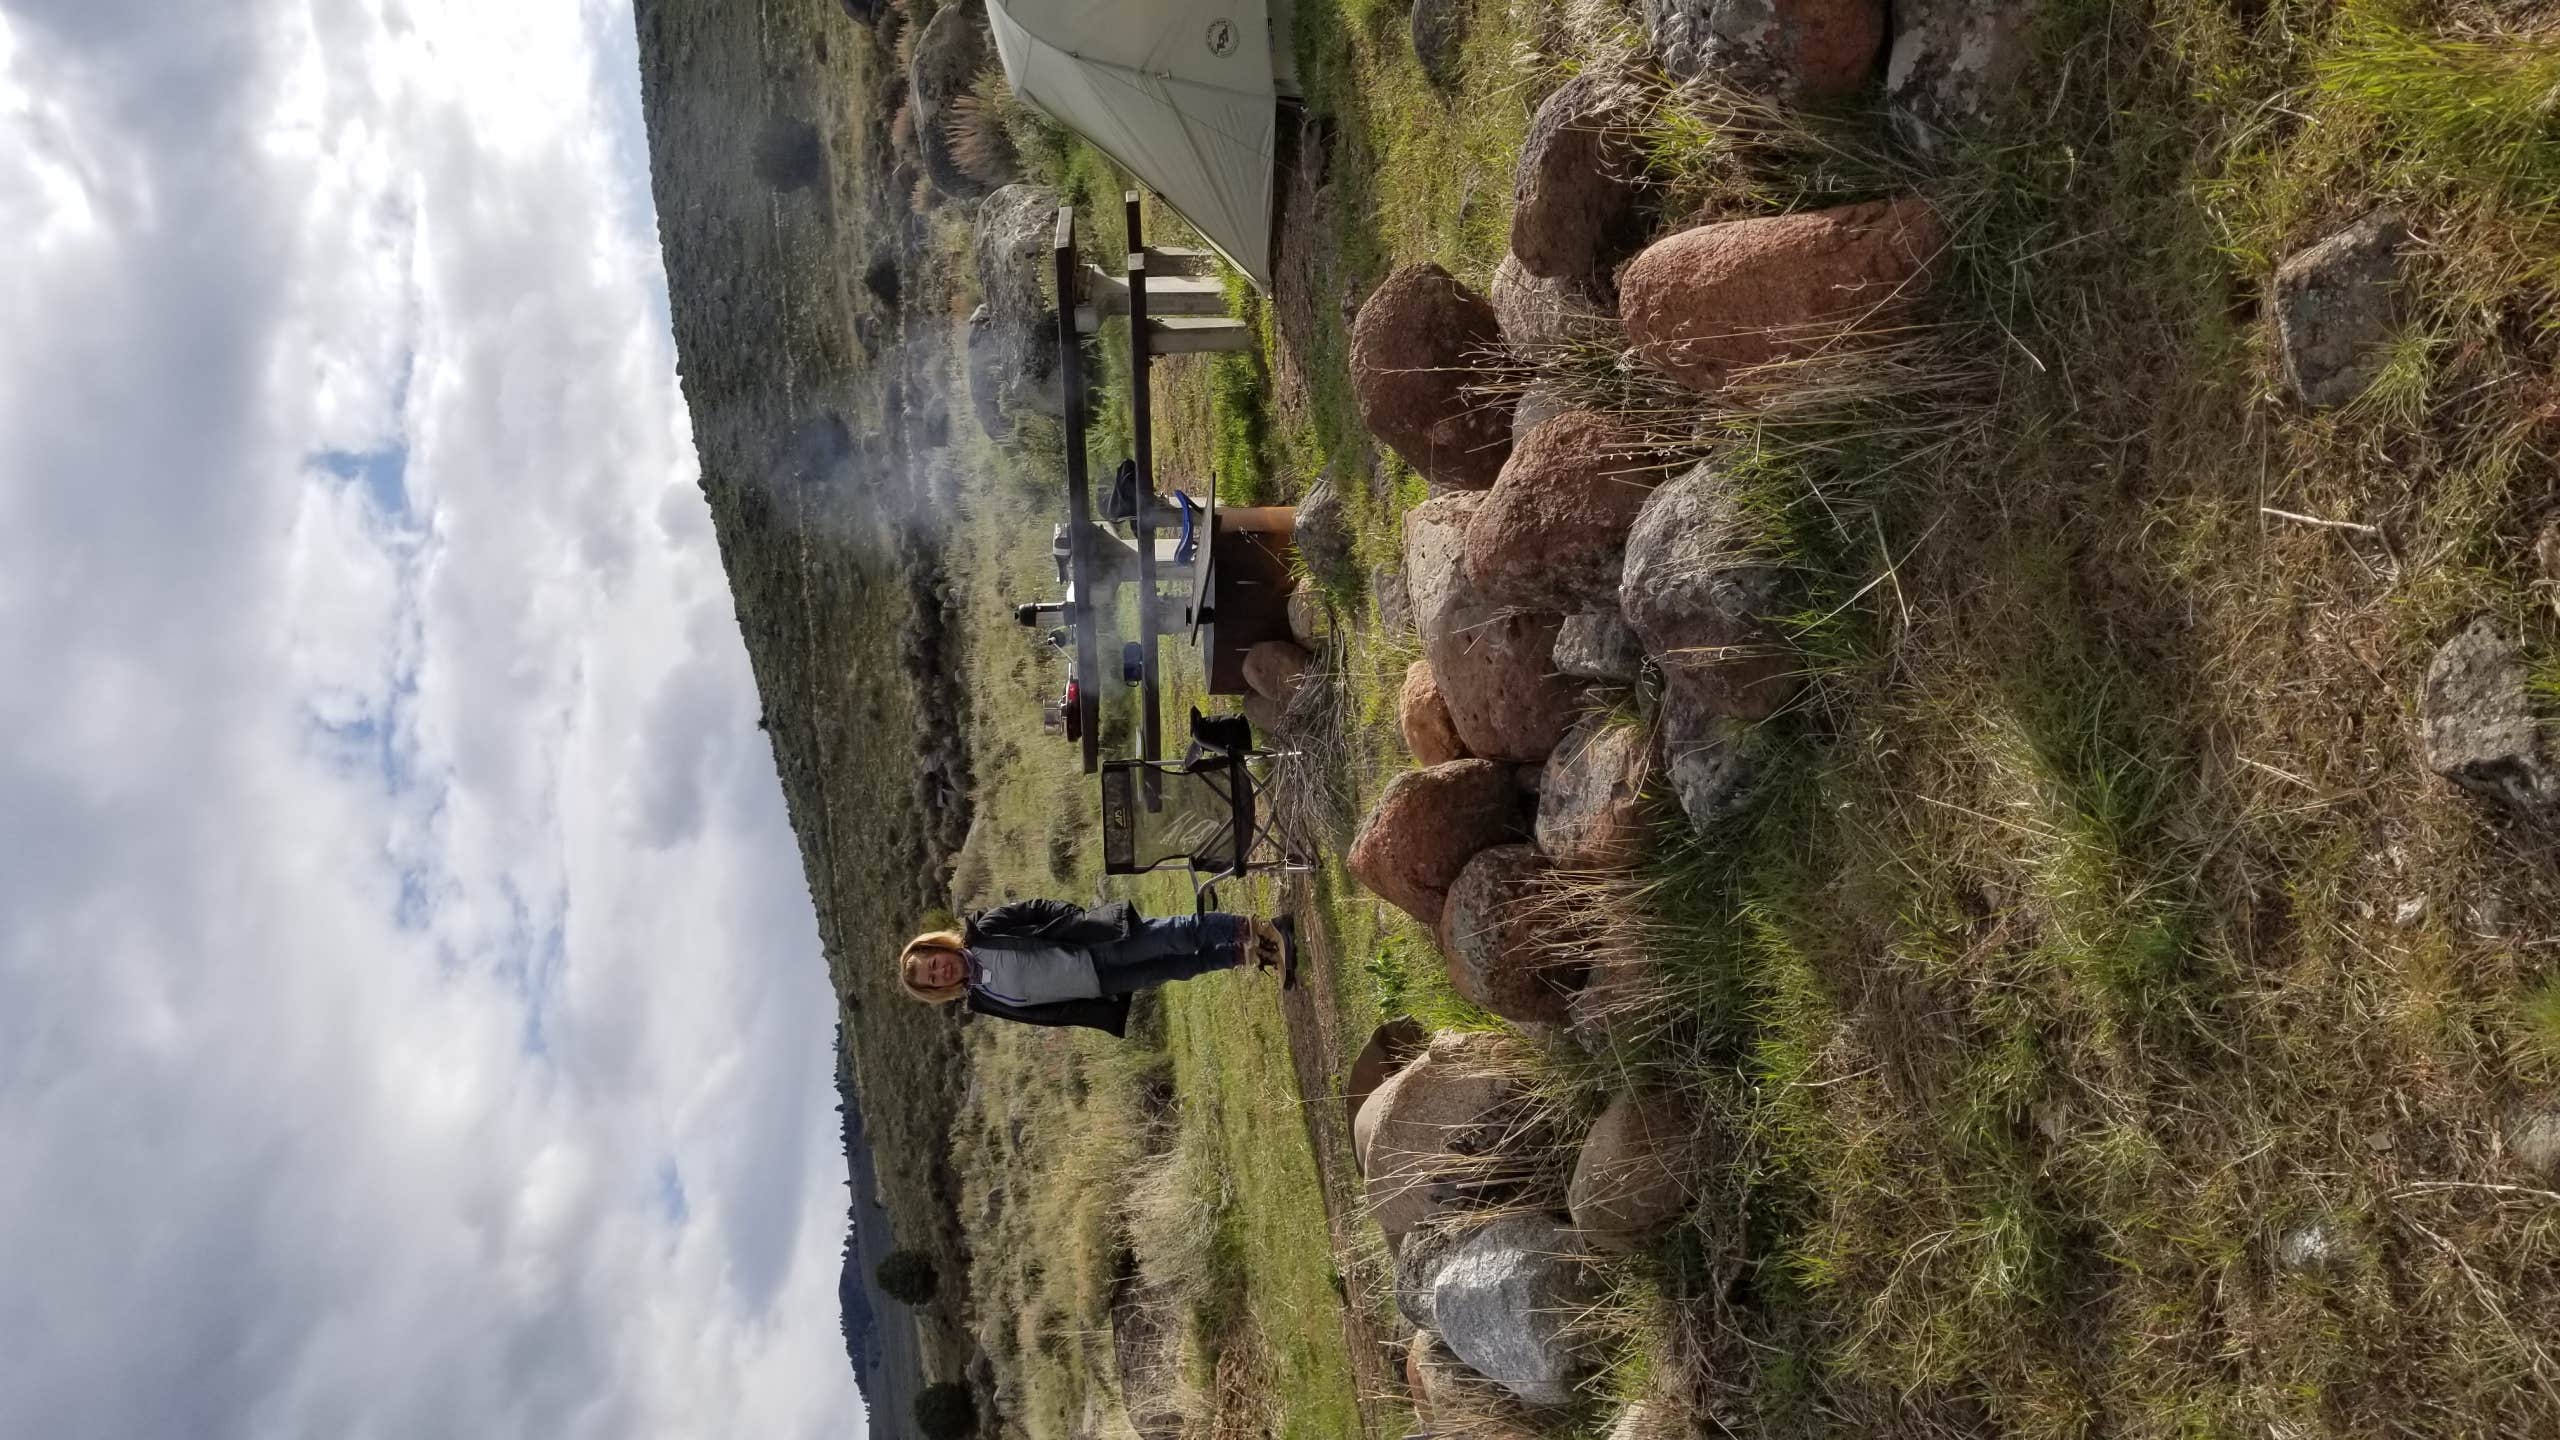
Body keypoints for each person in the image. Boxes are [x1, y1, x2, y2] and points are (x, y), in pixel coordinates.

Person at [898, 898, 1295, 1036]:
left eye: (934, 963)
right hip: (1098, 984)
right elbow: (1043, 1013)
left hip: (1096, 946)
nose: (940, 972)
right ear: (938, 991)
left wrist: (1076, 919)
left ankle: (1255, 928)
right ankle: (1252, 954)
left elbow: (1033, 909)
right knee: (1179, 966)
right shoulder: (982, 999)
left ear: (939, 949)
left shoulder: (983, 932)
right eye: (932, 979)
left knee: (1176, 934)